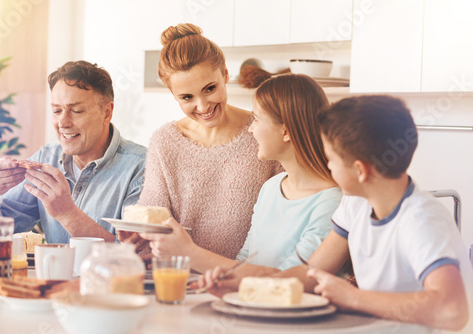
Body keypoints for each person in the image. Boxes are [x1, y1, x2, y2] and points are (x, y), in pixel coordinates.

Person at [200, 95, 472, 331]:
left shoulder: (420, 221)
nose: (327, 166)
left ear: (360, 170)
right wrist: (245, 287)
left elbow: (452, 309)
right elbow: (311, 272)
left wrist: (353, 297)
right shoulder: (357, 204)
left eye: (331, 159)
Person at [139, 74, 342, 274]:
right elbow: (245, 259)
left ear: (286, 131)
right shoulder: (272, 187)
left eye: (257, 120)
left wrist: (190, 254)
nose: (251, 129)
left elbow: (290, 280)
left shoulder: (332, 202)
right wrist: (220, 281)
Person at [119, 23, 282, 259]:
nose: (203, 106)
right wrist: (139, 236)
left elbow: (287, 213)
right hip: (180, 278)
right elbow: (153, 211)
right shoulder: (165, 142)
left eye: (210, 88)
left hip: (246, 281)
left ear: (225, 74)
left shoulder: (261, 132)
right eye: (187, 97)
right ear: (173, 95)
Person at [0, 60, 147, 243]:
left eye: (77, 111)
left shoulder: (143, 168)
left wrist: (67, 214)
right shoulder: (46, 158)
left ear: (106, 112)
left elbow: (136, 254)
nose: (63, 123)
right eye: (57, 111)